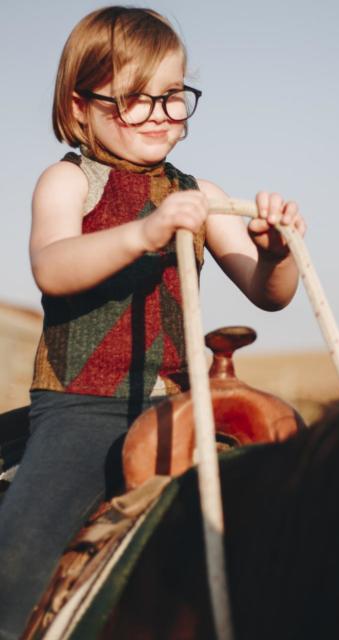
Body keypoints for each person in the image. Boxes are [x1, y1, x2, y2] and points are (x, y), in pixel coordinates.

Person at [0, 6, 306, 638]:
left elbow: (267, 294)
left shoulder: (199, 191)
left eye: (172, 98)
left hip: (177, 398)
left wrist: (278, 253)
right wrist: (143, 232)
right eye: (135, 100)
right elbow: (52, 269)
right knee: (19, 554)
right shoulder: (67, 182)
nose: (161, 117)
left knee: (294, 492)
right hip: (85, 405)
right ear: (81, 105)